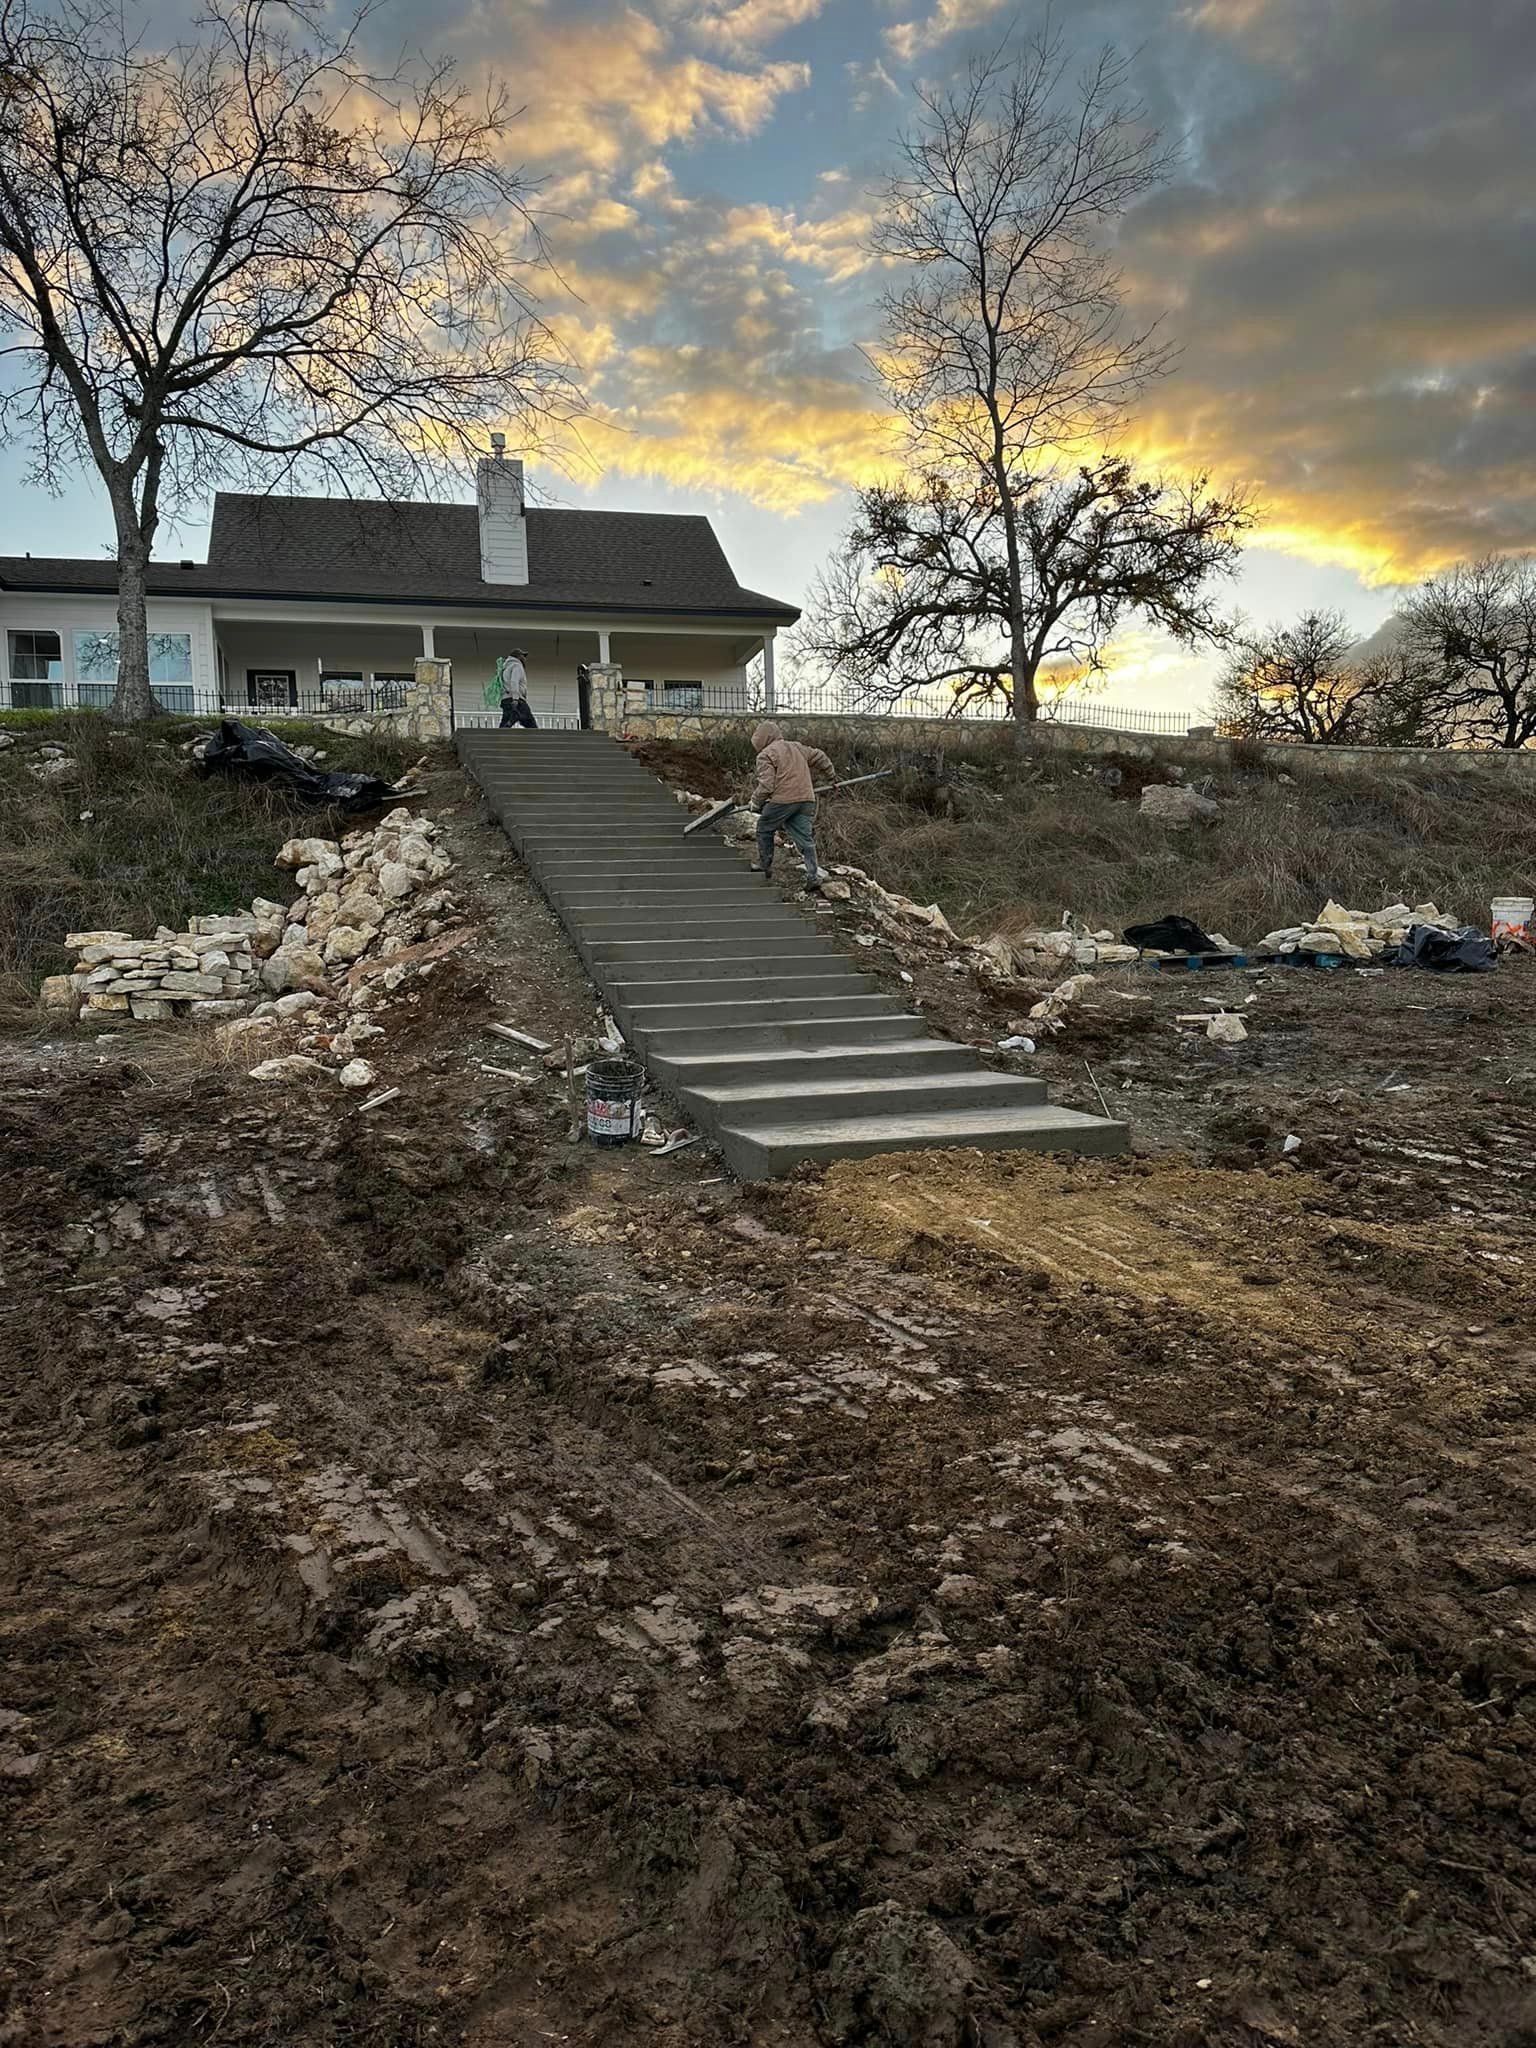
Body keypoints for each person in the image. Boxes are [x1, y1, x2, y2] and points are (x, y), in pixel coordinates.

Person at [750, 720, 834, 888]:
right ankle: (812, 875)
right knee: (805, 838)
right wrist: (831, 775)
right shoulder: (797, 747)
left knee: (764, 827)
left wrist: (755, 801)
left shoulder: (765, 755)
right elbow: (820, 756)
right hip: (806, 799)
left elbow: (767, 785)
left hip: (783, 800)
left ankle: (764, 866)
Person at [496, 648, 537, 728]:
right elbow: (514, 682)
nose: (525, 658)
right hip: (517, 700)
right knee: (531, 724)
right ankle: (514, 717)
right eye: (523, 656)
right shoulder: (517, 665)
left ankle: (509, 722)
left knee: (504, 724)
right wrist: (515, 699)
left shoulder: (505, 668)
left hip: (506, 699)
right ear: (518, 657)